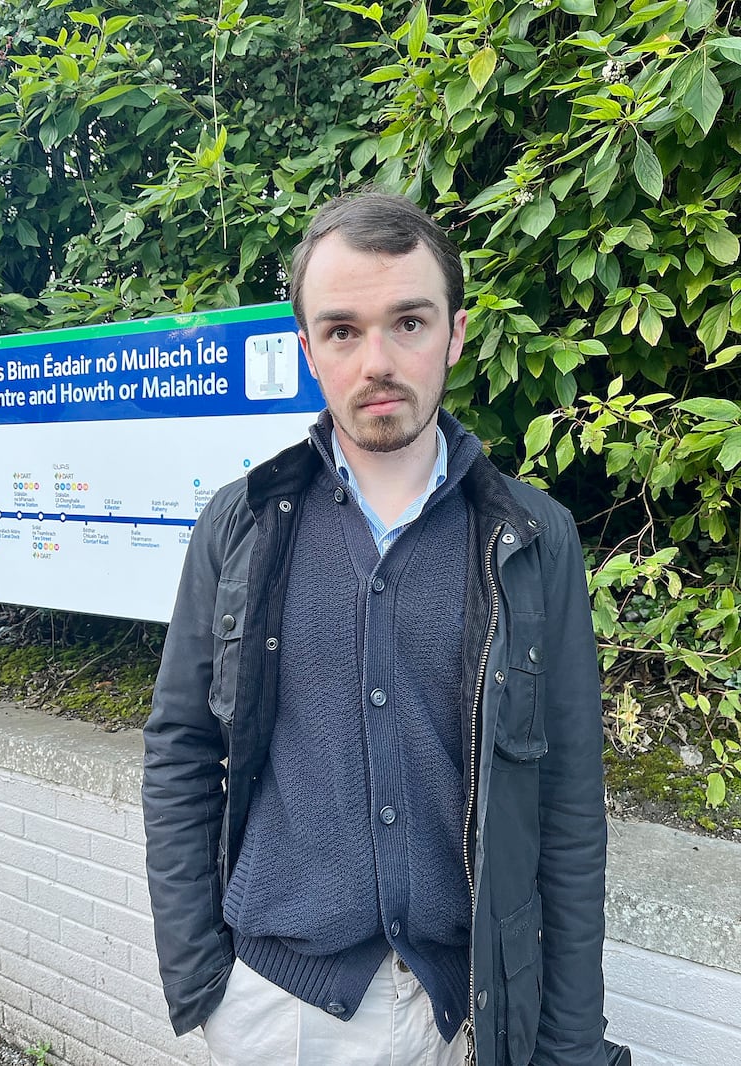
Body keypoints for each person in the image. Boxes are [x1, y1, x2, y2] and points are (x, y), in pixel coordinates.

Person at [142, 191, 610, 1066]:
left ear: (457, 335)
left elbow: (570, 806)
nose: (378, 360)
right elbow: (178, 748)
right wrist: (201, 979)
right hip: (273, 1009)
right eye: (344, 330)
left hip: (461, 1014)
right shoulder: (244, 526)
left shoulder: (532, 539)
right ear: (309, 349)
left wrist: (570, 1043)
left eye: (409, 322)